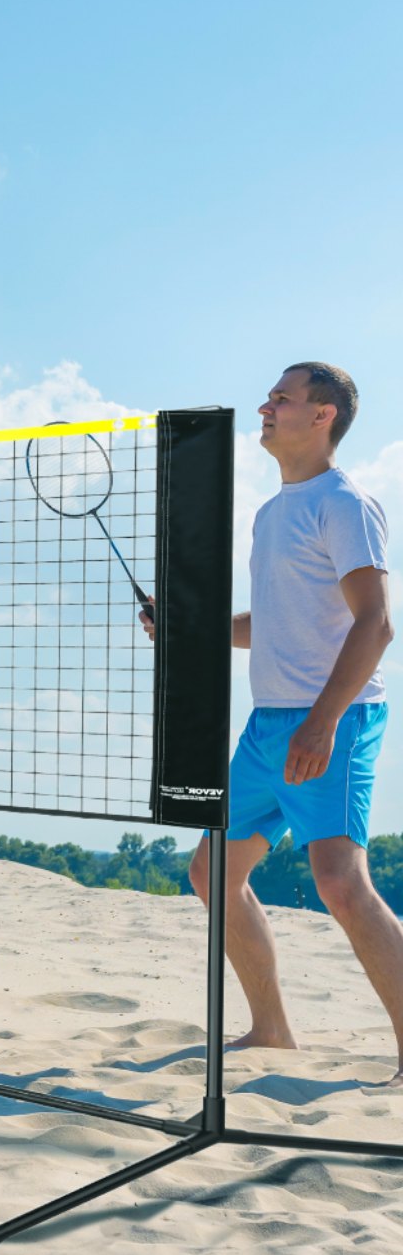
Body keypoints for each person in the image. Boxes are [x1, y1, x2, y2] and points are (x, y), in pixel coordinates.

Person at [182, 365, 401, 1086]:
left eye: (282, 398)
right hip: (269, 724)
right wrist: (197, 629)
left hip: (333, 720)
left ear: (322, 415)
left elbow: (376, 625)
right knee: (213, 872)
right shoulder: (273, 512)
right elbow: (272, 627)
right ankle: (271, 1030)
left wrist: (322, 722)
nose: (265, 407)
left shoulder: (344, 504)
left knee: (339, 883)